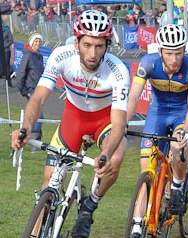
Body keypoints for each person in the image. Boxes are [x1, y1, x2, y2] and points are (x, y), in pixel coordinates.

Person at [12, 10, 130, 238]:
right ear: (76, 42)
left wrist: (104, 153)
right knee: (49, 183)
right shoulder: (61, 56)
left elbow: (118, 123)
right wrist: (26, 128)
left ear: (107, 45)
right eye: (87, 45)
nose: (93, 53)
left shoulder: (118, 71)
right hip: (73, 119)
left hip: (104, 122)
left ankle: (89, 206)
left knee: (115, 157)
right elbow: (38, 98)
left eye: (99, 46)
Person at [127, 24, 188, 237]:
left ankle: (177, 187)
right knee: (146, 169)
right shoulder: (148, 63)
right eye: (169, 53)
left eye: (179, 53)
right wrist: (122, 122)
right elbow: (133, 96)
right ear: (160, 51)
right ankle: (136, 224)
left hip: (181, 113)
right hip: (157, 114)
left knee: (179, 147)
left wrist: (187, 130)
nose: (174, 58)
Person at [16, 32, 44, 147]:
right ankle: (35, 143)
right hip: (30, 90)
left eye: (39, 42)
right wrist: (24, 91)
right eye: (35, 41)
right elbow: (20, 74)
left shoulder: (40, 56)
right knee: (38, 115)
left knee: (34, 115)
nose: (37, 43)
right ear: (31, 42)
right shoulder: (27, 55)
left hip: (38, 90)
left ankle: (23, 137)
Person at [0, 15, 14, 86]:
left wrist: (4, 46)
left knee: (6, 65)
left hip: (6, 51)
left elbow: (11, 40)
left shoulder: (6, 29)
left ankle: (9, 81)